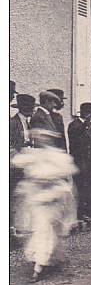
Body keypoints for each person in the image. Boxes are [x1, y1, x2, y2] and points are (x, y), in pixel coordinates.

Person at [11, 128, 78, 282]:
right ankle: (52, 260)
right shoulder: (32, 154)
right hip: (36, 197)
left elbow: (66, 173)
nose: (41, 141)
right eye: (38, 138)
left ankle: (39, 267)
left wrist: (49, 180)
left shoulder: (57, 155)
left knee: (47, 229)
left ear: (50, 140)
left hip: (53, 197)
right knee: (41, 230)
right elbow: (17, 162)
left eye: (44, 138)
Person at [68, 102, 91, 219]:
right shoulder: (74, 125)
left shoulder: (90, 127)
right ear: (82, 113)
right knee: (80, 188)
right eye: (89, 113)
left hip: (90, 163)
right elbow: (75, 140)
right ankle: (80, 214)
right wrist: (85, 125)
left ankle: (90, 213)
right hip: (79, 162)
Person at [10, 94, 36, 228]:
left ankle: (23, 225)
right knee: (14, 192)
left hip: (29, 160)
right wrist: (16, 158)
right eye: (30, 108)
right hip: (16, 163)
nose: (32, 110)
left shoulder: (28, 122)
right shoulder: (13, 123)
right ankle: (11, 227)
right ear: (23, 108)